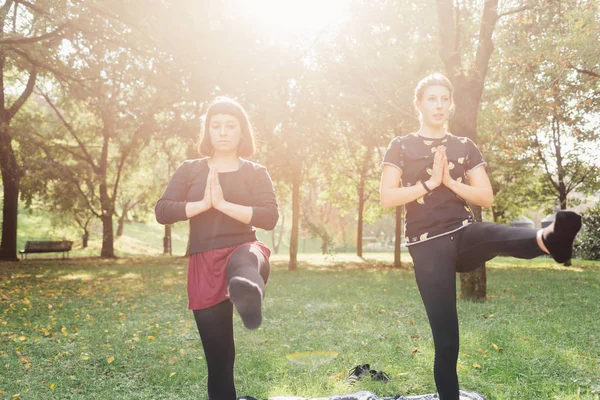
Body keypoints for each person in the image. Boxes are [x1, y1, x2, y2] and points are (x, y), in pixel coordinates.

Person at [379, 73, 581, 400]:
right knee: (447, 342)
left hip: (463, 231)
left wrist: (450, 182)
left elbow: (485, 197)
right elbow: (388, 197)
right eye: (432, 98)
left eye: (445, 99)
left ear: (451, 104)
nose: (439, 105)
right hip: (426, 244)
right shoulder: (402, 146)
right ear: (418, 104)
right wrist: (430, 183)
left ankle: (550, 239)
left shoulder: (464, 146)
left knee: (496, 234)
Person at [155, 97, 279, 400]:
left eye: (230, 126)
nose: (222, 132)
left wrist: (224, 205)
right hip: (204, 262)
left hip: (244, 250)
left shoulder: (255, 171)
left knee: (244, 263)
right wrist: (203, 205)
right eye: (216, 125)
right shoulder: (189, 170)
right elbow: (163, 211)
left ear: (241, 132)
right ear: (207, 131)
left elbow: (269, 216)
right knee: (220, 362)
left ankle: (248, 292)